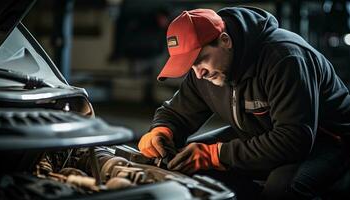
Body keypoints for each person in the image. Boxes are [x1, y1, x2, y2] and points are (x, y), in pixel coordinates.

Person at [138, 6, 350, 199]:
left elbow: (294, 139)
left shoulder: (285, 57)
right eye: (190, 66)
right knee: (181, 165)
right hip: (261, 132)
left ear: (225, 40)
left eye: (200, 60)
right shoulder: (206, 70)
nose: (198, 73)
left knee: (282, 192)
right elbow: (178, 113)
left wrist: (216, 155)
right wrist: (162, 131)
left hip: (326, 141)